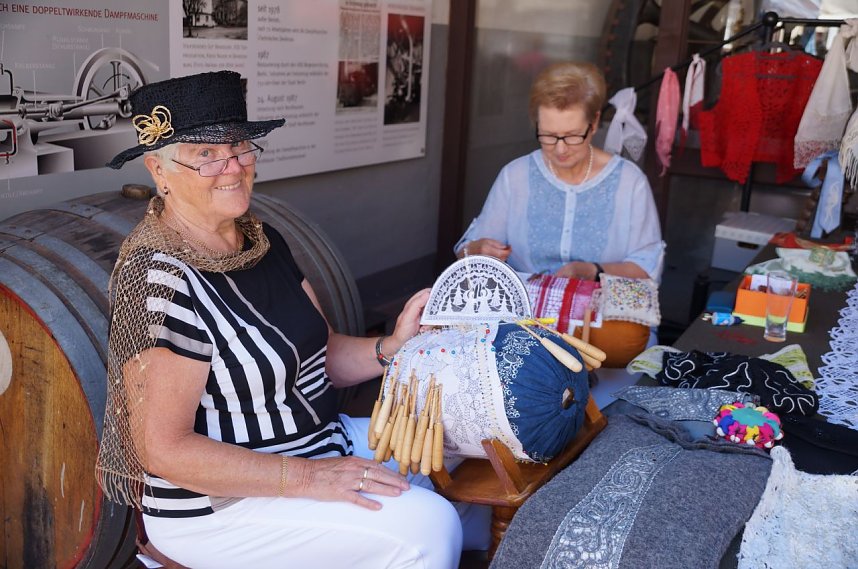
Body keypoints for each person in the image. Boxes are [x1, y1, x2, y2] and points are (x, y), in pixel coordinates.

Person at [97, 70, 478, 569]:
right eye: (206, 155)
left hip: (319, 445)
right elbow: (164, 451)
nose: (232, 167)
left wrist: (394, 346)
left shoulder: (260, 239)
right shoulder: (158, 280)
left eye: (240, 148)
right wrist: (311, 479)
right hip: (221, 506)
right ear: (158, 170)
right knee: (427, 528)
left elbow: (318, 356)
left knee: (470, 435)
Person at [455, 61, 665, 283]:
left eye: (573, 135)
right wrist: (478, 249)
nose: (560, 148)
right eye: (548, 135)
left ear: (593, 123)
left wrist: (592, 270)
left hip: (597, 313)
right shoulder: (515, 177)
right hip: (524, 313)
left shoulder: (629, 183)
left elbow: (647, 268)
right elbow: (465, 255)